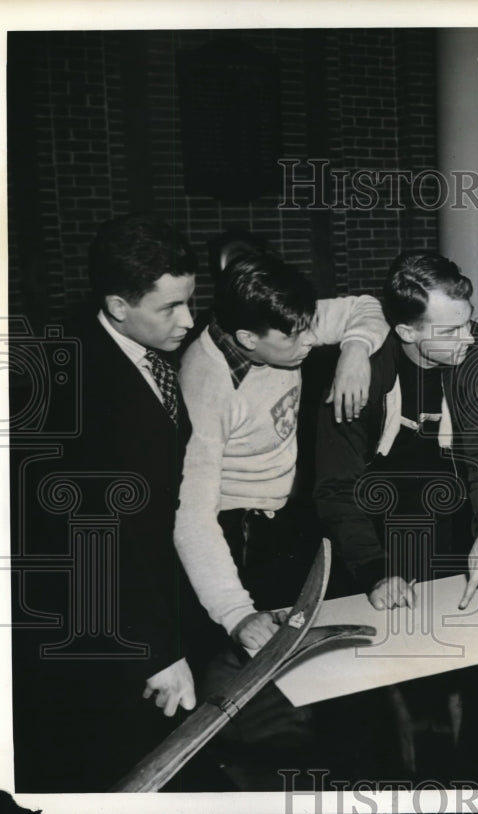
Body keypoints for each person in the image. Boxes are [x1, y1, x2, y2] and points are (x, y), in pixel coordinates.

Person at [12, 214, 205, 791]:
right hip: (101, 636)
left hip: (144, 607)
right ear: (119, 306)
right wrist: (155, 651)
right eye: (170, 308)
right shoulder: (79, 387)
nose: (188, 321)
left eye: (189, 302)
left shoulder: (136, 352)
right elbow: (93, 541)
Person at [173, 249, 388, 650]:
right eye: (294, 336)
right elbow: (192, 515)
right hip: (234, 534)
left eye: (309, 327)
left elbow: (365, 307)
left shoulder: (281, 318)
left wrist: (355, 352)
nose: (310, 340)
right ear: (248, 339)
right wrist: (235, 612)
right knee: (253, 655)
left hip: (285, 512)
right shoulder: (206, 385)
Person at [313, 249, 478, 609]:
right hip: (372, 520)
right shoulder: (360, 378)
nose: (469, 339)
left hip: (454, 509)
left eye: (468, 322)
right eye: (450, 331)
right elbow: (337, 486)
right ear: (406, 331)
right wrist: (375, 571)